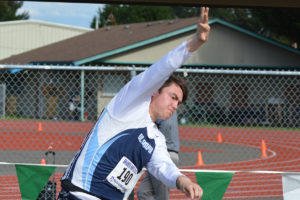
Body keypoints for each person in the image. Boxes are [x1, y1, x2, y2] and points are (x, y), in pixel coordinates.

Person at [58, 7, 210, 200]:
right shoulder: (130, 102)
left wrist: (183, 181)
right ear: (155, 91)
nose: (175, 105)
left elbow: (163, 167)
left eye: (179, 102)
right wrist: (194, 43)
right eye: (173, 97)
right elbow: (161, 69)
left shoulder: (156, 139)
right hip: (80, 195)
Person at [137, 111, 180, 200]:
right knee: (143, 192)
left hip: (165, 155)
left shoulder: (163, 108)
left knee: (162, 196)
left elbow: (167, 125)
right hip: (164, 153)